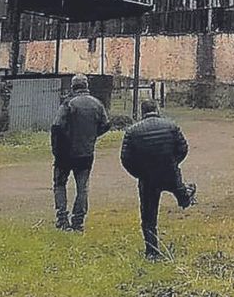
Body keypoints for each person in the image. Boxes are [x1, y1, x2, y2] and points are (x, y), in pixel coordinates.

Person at [120, 100, 197, 259]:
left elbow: (126, 159)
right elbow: (183, 148)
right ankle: (186, 195)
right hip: (169, 172)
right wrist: (173, 163)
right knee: (179, 189)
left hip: (147, 178)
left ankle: (152, 251)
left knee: (148, 216)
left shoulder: (132, 131)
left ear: (142, 112)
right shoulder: (171, 126)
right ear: (157, 109)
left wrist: (139, 173)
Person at [50, 74, 110, 232]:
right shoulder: (97, 104)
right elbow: (106, 125)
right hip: (86, 153)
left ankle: (62, 219)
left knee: (60, 184)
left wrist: (57, 148)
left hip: (65, 153)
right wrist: (92, 136)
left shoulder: (69, 104)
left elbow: (57, 126)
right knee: (82, 188)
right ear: (86, 86)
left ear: (73, 87)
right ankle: (78, 221)